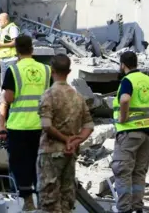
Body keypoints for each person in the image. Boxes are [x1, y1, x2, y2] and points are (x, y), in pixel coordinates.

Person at [0, 35, 51, 211]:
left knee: (21, 165)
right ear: (32, 49)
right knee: (41, 164)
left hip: (19, 126)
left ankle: (28, 202)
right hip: (42, 126)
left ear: (16, 51)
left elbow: (9, 98)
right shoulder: (46, 69)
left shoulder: (13, 70)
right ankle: (43, 200)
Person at [112, 51, 149, 213]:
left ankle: (124, 209)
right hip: (145, 132)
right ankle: (137, 208)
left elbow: (124, 99)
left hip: (128, 132)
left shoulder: (127, 80)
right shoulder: (147, 79)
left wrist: (123, 117)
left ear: (123, 65)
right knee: (138, 172)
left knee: (123, 171)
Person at [37, 54, 94, 213]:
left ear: (52, 70)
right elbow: (89, 124)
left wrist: (65, 139)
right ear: (69, 71)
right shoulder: (78, 97)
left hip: (51, 152)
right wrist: (76, 140)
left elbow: (46, 125)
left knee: (49, 198)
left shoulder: (48, 95)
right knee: (67, 196)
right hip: (70, 153)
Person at [0, 13, 20, 85]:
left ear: (6, 21)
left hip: (11, 59)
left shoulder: (12, 28)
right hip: (2, 59)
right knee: (4, 84)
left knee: (11, 83)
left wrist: (0, 45)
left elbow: (15, 42)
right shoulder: (1, 29)